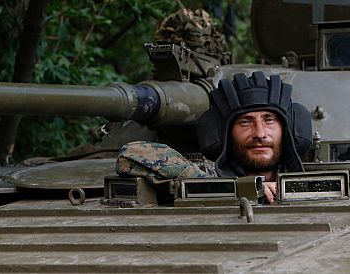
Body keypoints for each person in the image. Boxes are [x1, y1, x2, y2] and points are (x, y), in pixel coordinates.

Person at [116, 71, 312, 204]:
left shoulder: (311, 180)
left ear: (286, 129)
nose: (259, 133)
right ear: (224, 133)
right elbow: (131, 155)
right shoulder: (209, 175)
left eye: (269, 120)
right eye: (245, 122)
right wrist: (233, 188)